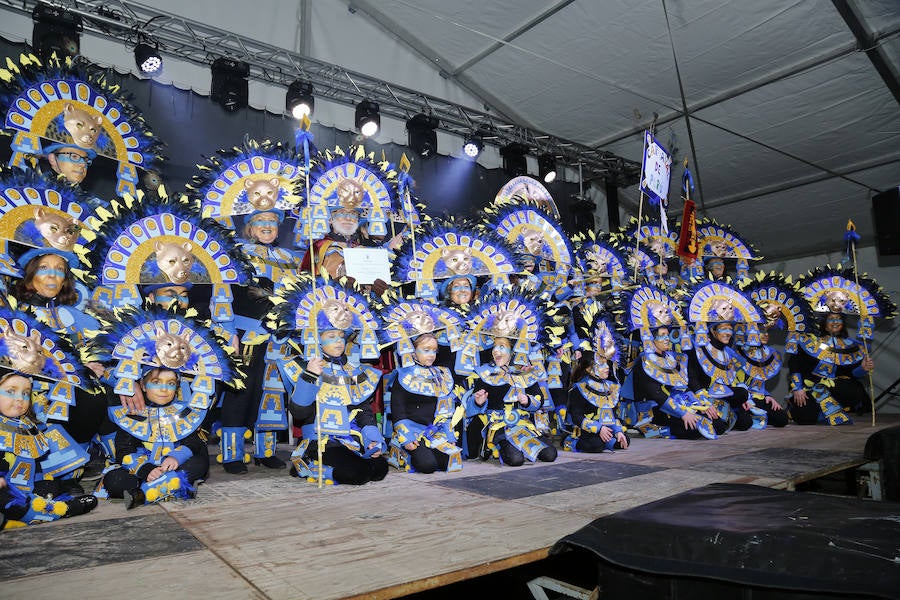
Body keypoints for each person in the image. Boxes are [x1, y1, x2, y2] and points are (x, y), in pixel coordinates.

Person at [0, 370, 98, 525]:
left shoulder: (27, 425)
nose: (20, 399)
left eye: (26, 393)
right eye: (11, 391)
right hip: (6, 492)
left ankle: (45, 508)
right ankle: (61, 510)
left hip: (22, 487)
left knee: (50, 486)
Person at [100, 368, 207, 508]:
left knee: (199, 463)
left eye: (170, 383)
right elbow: (123, 450)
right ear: (143, 386)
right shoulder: (131, 412)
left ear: (177, 387)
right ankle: (172, 487)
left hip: (174, 466)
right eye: (156, 382)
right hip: (142, 468)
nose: (164, 389)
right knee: (113, 480)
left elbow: (193, 442)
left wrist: (176, 457)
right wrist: (146, 469)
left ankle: (143, 494)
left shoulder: (183, 411)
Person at [388, 333, 463, 473]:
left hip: (434, 431)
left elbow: (445, 411)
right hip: (412, 432)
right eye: (426, 350)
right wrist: (407, 438)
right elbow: (398, 411)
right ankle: (404, 449)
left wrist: (449, 436)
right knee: (428, 466)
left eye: (434, 350)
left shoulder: (442, 374)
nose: (431, 355)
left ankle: (427, 452)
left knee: (452, 461)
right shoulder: (404, 375)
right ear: (413, 351)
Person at [788, 312, 872, 425]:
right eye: (831, 319)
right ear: (824, 324)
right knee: (805, 417)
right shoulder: (808, 340)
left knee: (855, 390)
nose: (835, 322)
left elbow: (852, 373)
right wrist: (797, 388)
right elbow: (794, 364)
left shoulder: (849, 345)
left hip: (834, 387)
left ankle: (830, 409)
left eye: (839, 319)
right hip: (806, 388)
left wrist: (863, 368)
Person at [565, 317, 628, 453]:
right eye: (601, 364)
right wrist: (599, 428)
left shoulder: (610, 386)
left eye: (607, 363)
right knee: (596, 445)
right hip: (586, 431)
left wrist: (618, 431)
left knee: (624, 439)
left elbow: (612, 414)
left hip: (605, 428)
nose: (607, 367)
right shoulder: (579, 388)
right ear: (588, 368)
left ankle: (609, 439)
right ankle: (575, 443)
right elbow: (577, 417)